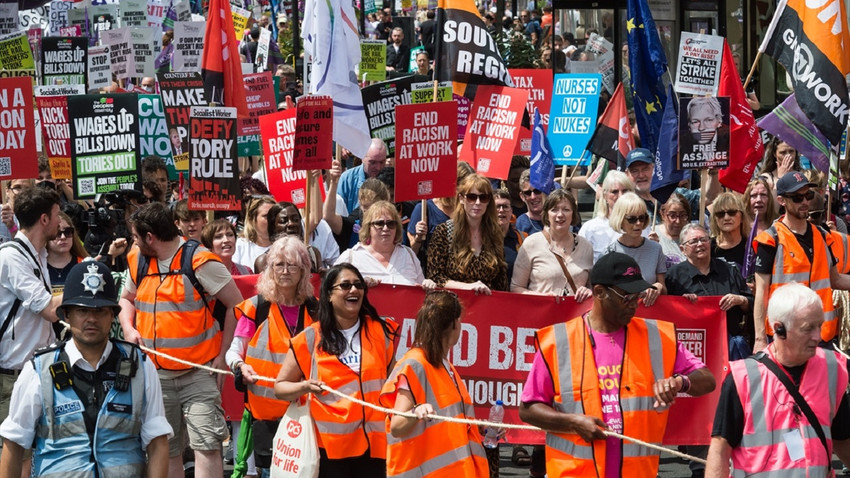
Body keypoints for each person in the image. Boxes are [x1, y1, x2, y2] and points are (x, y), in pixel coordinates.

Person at [519, 252, 716, 478]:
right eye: (626, 297)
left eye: (638, 296)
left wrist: (680, 382)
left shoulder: (658, 337)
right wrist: (572, 422)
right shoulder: (558, 341)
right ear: (600, 293)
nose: (635, 304)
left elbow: (707, 379)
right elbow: (528, 409)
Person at [0, 261, 172, 478]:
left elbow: (157, 441)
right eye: (82, 310)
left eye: (100, 310)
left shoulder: (141, 365)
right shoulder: (37, 370)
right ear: (67, 315)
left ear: (112, 315)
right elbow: (14, 443)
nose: (91, 318)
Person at [118, 202, 244, 478]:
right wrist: (129, 328)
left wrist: (223, 356)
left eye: (137, 236)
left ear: (150, 237)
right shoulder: (138, 258)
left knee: (208, 446)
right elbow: (126, 300)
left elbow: (238, 307)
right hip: (155, 375)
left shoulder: (200, 261)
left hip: (199, 373)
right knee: (166, 448)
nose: (134, 241)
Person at [704, 283, 850, 478]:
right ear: (779, 329)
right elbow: (720, 450)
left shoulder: (833, 369)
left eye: (819, 326)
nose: (818, 336)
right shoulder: (743, 378)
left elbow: (843, 439)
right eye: (808, 329)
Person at [274, 263, 397, 478]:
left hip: (374, 446)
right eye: (346, 285)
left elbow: (394, 382)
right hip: (330, 449)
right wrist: (305, 387)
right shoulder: (310, 337)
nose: (354, 290)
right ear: (329, 295)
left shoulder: (380, 331)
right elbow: (280, 387)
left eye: (358, 285)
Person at [227, 237, 317, 478]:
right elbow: (234, 350)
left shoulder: (316, 309)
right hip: (266, 417)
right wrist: (240, 365)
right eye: (278, 265)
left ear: (304, 270)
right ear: (269, 269)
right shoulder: (256, 307)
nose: (285, 271)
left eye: (292, 265)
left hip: (307, 414)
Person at [379, 290, 488, 477]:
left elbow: (451, 420)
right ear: (454, 324)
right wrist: (415, 412)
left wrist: (483, 429)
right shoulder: (415, 364)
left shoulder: (444, 366)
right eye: (460, 320)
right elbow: (397, 426)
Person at [751, 171, 850, 352]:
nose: (805, 202)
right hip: (786, 337)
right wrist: (759, 339)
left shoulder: (822, 236)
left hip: (822, 335)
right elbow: (761, 293)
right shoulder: (770, 240)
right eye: (797, 197)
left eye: (808, 195)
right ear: (782, 200)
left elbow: (835, 280)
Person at [0, 187, 62, 444]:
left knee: (38, 454)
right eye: (57, 215)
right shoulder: (12, 257)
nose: (61, 221)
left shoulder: (39, 254)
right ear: (44, 219)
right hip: (13, 377)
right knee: (13, 455)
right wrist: (87, 289)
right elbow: (49, 310)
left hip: (38, 370)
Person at [667, 224, 753, 359]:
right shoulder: (673, 276)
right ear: (682, 249)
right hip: (691, 349)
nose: (700, 244)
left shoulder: (729, 269)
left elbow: (751, 304)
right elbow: (666, 313)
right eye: (694, 241)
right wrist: (681, 304)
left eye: (704, 239)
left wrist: (740, 300)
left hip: (728, 347)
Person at [427, 174, 508, 295]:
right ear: (461, 199)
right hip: (453, 304)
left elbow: (501, 283)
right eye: (471, 197)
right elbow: (435, 277)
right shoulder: (444, 231)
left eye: (483, 197)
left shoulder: (494, 234)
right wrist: (468, 287)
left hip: (486, 306)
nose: (477, 202)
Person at [511, 189, 593, 300]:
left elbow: (591, 287)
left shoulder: (586, 247)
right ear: (546, 214)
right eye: (554, 210)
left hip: (575, 315)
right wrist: (542, 297)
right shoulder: (531, 244)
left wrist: (588, 291)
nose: (560, 215)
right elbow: (516, 288)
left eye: (566, 209)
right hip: (541, 314)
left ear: (573, 214)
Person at [335, 201, 434, 287]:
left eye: (391, 224)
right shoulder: (351, 257)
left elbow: (420, 289)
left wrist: (427, 284)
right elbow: (332, 287)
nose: (386, 228)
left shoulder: (409, 255)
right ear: (368, 227)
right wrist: (358, 284)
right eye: (379, 223)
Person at [605, 192, 666, 306]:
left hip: (649, 316)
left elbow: (664, 289)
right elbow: (604, 293)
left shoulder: (656, 249)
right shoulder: (609, 253)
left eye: (642, 218)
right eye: (632, 219)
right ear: (621, 220)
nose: (638, 223)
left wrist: (658, 287)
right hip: (622, 316)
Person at [578, 171, 636, 261]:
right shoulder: (590, 228)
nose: (620, 196)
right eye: (615, 192)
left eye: (625, 191)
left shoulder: (641, 225)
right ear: (605, 196)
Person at [338, 138, 390, 212]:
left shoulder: (392, 178)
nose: (378, 168)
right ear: (362, 158)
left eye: (382, 162)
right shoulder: (347, 179)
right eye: (373, 162)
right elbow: (339, 212)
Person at [679, 97, 730, 166]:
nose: (701, 127)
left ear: (719, 121)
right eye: (695, 121)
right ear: (689, 125)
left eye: (708, 120)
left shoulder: (732, 139)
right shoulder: (681, 144)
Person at [234, 195, 277, 269]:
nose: (272, 219)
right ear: (252, 219)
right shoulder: (240, 245)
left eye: (275, 215)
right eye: (266, 216)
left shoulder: (284, 246)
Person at [649, 193, 690, 269]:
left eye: (682, 215)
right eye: (672, 215)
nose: (677, 221)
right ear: (663, 215)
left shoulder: (692, 236)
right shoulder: (652, 234)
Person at [709, 192, 748, 270]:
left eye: (732, 212)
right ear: (715, 219)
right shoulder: (708, 247)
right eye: (720, 214)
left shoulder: (751, 247)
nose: (726, 218)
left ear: (742, 217)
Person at [494, 189, 526, 281]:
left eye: (505, 206)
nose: (501, 210)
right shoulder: (480, 237)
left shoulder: (522, 238)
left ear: (511, 211)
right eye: (497, 206)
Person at [516, 169, 546, 235]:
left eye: (537, 191)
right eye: (528, 193)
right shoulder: (519, 224)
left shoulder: (557, 219)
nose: (533, 197)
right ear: (522, 196)